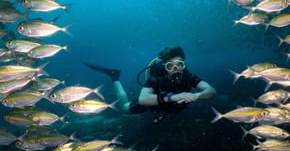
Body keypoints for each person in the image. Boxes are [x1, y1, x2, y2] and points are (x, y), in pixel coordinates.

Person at [84, 46, 216, 123]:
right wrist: (171, 98)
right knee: (124, 108)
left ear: (184, 64)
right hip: (156, 105)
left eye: (179, 65)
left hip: (170, 108)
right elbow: (143, 99)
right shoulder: (157, 78)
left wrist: (197, 95)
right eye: (171, 66)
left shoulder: (188, 76)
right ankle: (114, 76)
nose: (176, 70)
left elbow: (211, 90)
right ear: (164, 66)